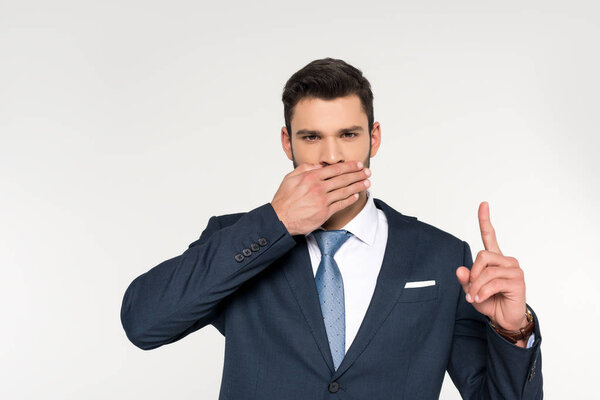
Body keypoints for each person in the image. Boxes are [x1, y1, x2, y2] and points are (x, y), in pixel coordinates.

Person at [120, 57, 543, 399]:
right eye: (311, 138)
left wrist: (513, 331)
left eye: (348, 134)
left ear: (373, 138)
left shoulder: (441, 256)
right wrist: (276, 223)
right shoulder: (238, 239)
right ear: (287, 142)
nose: (331, 156)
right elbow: (144, 323)